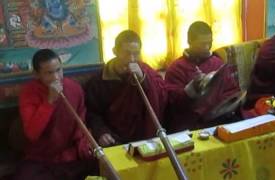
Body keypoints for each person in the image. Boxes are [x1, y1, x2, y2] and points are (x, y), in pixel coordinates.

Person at [14, 49, 96, 180]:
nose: (56, 77)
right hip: (40, 158)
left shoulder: (74, 88)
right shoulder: (29, 93)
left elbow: (80, 121)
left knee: (100, 167)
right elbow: (32, 133)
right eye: (49, 73)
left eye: (58, 70)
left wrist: (83, 145)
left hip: (69, 155)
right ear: (36, 74)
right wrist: (49, 101)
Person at [85, 30, 167, 147]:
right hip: (114, 138)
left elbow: (163, 94)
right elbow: (92, 113)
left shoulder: (146, 71)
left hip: (143, 136)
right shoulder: (99, 81)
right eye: (127, 53)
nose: (132, 59)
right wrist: (101, 132)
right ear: (115, 51)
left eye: (136, 53)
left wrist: (143, 79)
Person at [165, 21, 241, 133]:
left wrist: (230, 104)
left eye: (209, 43)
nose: (207, 48)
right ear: (189, 41)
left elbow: (231, 91)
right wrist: (191, 89)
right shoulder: (176, 68)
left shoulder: (217, 63)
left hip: (218, 119)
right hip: (191, 124)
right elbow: (173, 105)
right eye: (202, 44)